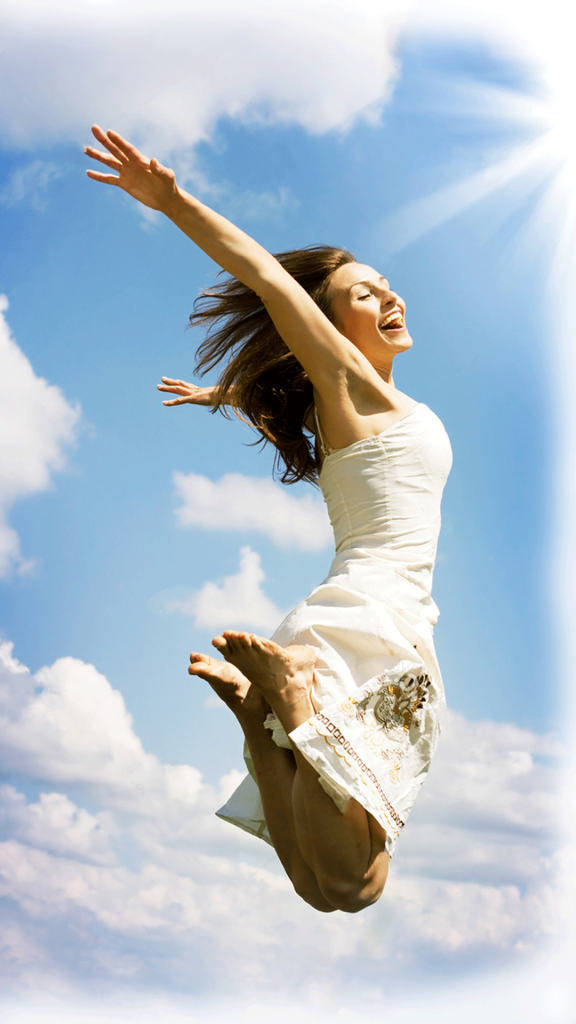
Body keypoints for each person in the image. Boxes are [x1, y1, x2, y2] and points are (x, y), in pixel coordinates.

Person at [85, 125, 452, 915]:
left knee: (329, 889)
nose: (389, 297)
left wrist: (225, 396)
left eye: (388, 284)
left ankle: (262, 718)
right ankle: (284, 698)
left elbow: (313, 415)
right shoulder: (352, 382)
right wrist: (172, 199)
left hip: (347, 620)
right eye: (364, 293)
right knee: (356, 883)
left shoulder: (344, 412)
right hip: (378, 623)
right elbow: (266, 278)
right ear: (328, 325)